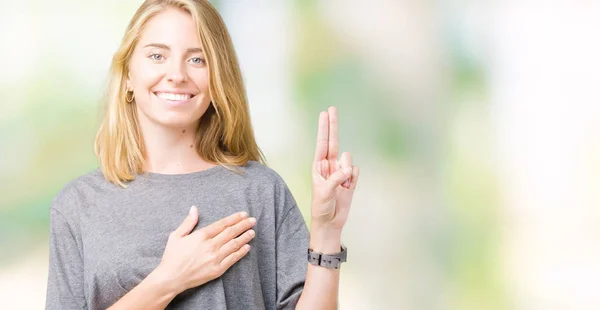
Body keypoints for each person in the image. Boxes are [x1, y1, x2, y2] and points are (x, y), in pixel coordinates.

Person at [44, 0, 359, 309]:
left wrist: (327, 230)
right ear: (128, 74)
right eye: (157, 55)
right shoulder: (78, 204)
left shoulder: (261, 190)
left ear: (217, 77)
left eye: (197, 59)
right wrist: (169, 280)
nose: (177, 74)